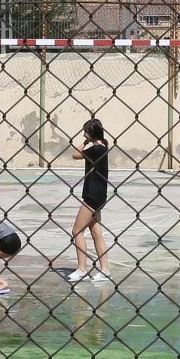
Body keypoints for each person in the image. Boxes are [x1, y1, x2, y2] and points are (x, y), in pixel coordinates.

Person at [67, 118, 111, 283]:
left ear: (91, 134)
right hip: (99, 195)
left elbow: (75, 154)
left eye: (86, 132)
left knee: (76, 231)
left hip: (92, 196)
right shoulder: (103, 148)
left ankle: (81, 269)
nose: (84, 134)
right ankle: (105, 270)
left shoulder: (96, 149)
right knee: (95, 232)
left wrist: (85, 142)